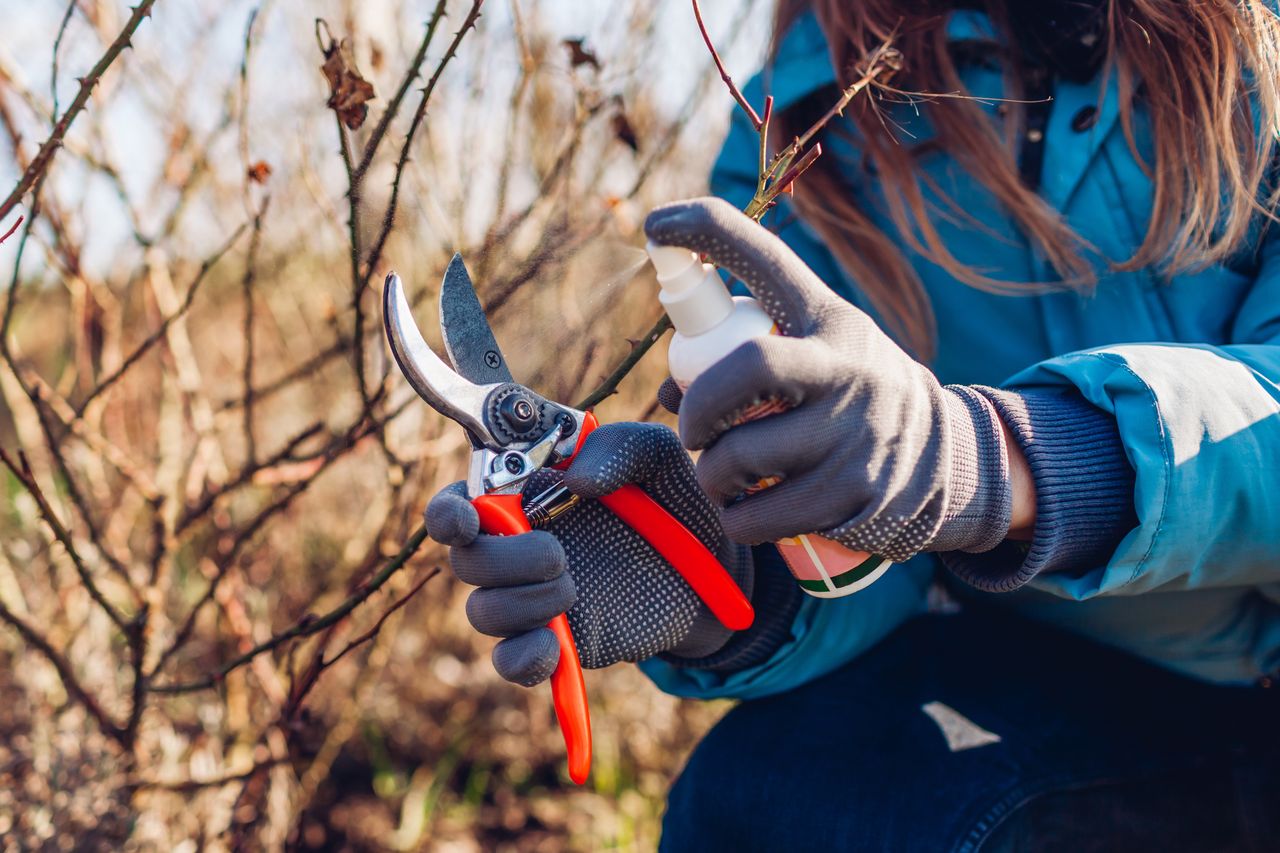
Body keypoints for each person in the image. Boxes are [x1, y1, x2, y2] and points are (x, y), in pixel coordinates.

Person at [424, 0, 1280, 848]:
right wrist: (739, 585)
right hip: (1097, 686)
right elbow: (874, 539)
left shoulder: (1256, 41)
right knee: (778, 797)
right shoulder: (811, 118)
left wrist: (995, 460)